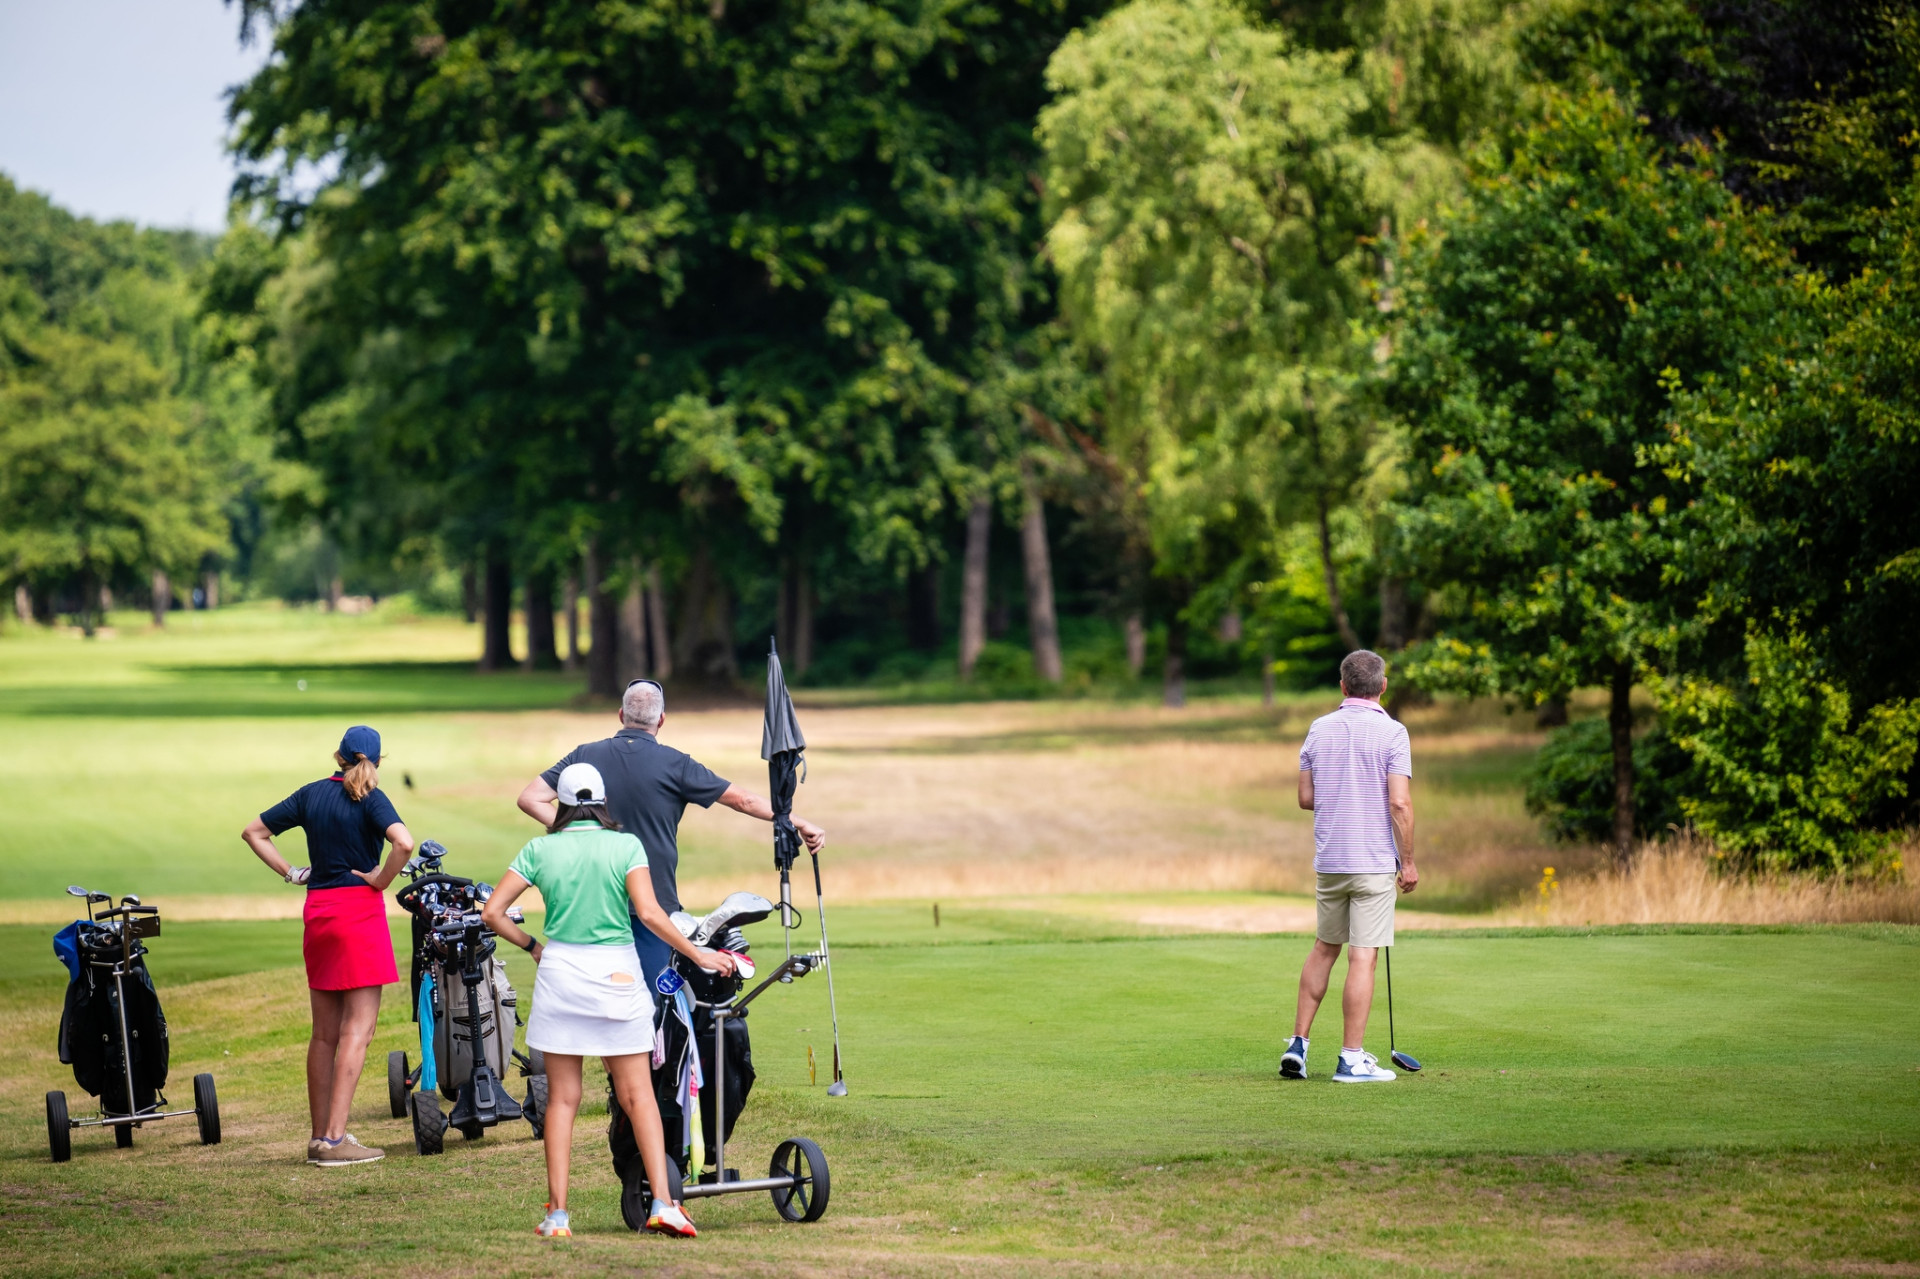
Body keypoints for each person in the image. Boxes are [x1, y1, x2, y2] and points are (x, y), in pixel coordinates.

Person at [483, 762, 738, 1240]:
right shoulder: (626, 846)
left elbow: (492, 912)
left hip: (561, 974)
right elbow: (650, 913)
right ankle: (664, 1204)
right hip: (617, 975)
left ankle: (558, 1215)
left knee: (563, 1100)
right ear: (602, 801)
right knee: (638, 1096)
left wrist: (533, 947)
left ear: (560, 802)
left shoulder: (539, 848)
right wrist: (698, 954)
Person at [516, 678, 826, 988]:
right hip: (653, 906)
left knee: (591, 994)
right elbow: (742, 800)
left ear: (621, 715)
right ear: (661, 720)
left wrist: (579, 830)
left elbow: (531, 798)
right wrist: (797, 822)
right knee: (651, 999)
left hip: (591, 902)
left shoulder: (584, 755)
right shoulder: (677, 764)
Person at [241, 725, 415, 1164]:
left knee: (323, 1034)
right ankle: (335, 1141)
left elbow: (254, 832)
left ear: (338, 755)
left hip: (318, 911)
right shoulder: (371, 797)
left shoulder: (311, 794)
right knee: (358, 1029)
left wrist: (290, 872)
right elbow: (404, 843)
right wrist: (380, 879)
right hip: (359, 913)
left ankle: (320, 1137)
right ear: (377, 761)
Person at [1279, 650, 1418, 1084]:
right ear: (1383, 686)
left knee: (1325, 947)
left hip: (1331, 860)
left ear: (1343, 686)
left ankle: (1298, 1046)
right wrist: (1409, 861)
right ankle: (1351, 1060)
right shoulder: (1393, 732)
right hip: (1372, 861)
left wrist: (1344, 792)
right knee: (1363, 956)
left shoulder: (1318, 728)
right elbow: (1399, 803)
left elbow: (1306, 798)